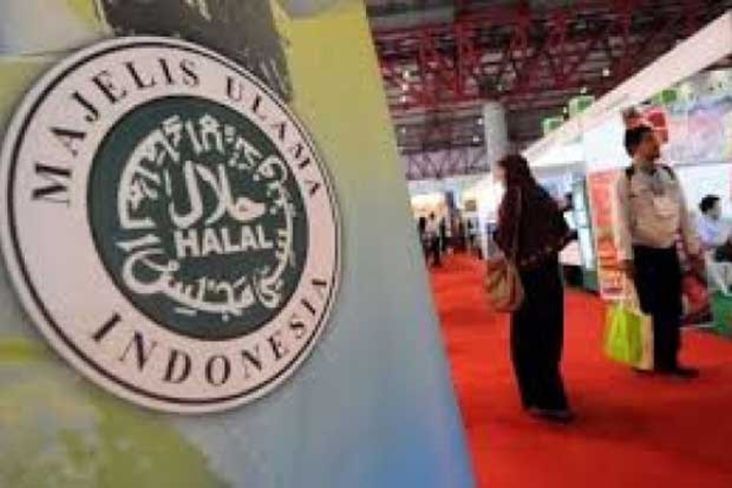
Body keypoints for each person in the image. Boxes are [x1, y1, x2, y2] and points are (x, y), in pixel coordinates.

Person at [611, 125, 702, 378]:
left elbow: (683, 212)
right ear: (633, 148)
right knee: (648, 308)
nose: (656, 143)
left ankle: (669, 361)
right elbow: (620, 221)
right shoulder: (625, 179)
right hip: (642, 253)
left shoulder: (668, 174)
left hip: (668, 250)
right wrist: (625, 257)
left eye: (656, 139)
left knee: (672, 307)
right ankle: (646, 359)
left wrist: (692, 247)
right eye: (649, 140)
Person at [494, 154, 575, 423]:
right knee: (549, 337)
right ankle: (551, 395)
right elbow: (562, 232)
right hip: (549, 274)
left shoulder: (513, 196)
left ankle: (540, 398)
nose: (500, 178)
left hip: (527, 279)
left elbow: (506, 237)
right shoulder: (540, 193)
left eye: (501, 173)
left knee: (527, 340)